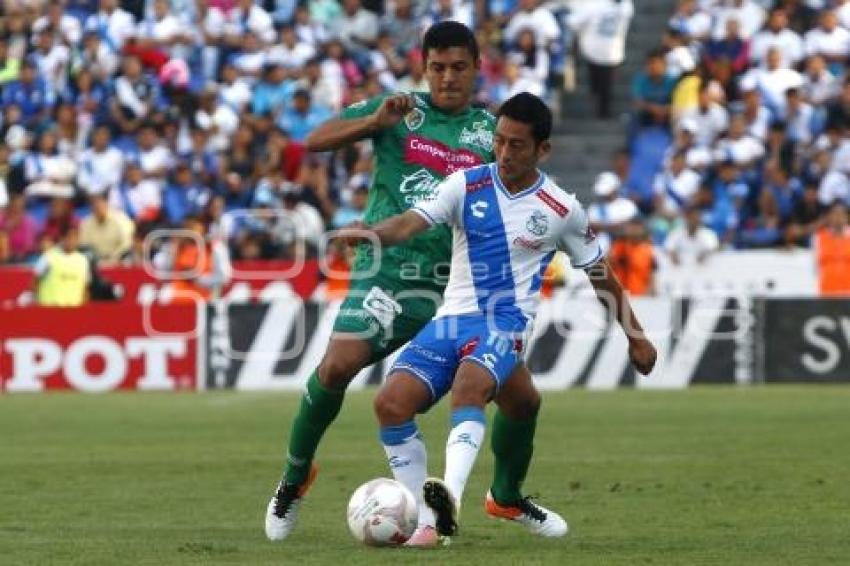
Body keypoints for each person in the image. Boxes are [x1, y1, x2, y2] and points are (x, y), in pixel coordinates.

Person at [264, 22, 548, 544]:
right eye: (437, 68)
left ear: (476, 68)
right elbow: (315, 140)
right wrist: (372, 121)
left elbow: (524, 195)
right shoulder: (399, 112)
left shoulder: (494, 133)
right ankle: (294, 474)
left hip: (461, 288)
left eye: (458, 67)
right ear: (424, 68)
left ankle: (505, 497)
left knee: (521, 400)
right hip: (390, 274)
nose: (447, 78)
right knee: (336, 365)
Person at [335, 92, 657, 545]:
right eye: (499, 142)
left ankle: (443, 511)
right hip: (453, 319)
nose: (504, 153)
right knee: (392, 404)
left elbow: (600, 274)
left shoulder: (560, 208)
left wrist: (635, 336)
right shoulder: (464, 183)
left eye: (517, 145)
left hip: (506, 322)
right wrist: (371, 232)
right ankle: (454, 508)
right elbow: (408, 222)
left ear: (542, 149)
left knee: (471, 386)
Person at [567, 0, 634, 119]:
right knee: (598, 84)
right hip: (595, 50)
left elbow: (574, 21)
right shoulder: (597, 5)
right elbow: (573, 21)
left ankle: (603, 112)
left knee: (605, 85)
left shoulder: (625, 5)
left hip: (610, 51)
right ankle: (599, 109)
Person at [33, 225, 91, 307]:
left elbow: (85, 288)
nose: (72, 241)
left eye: (75, 237)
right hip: (50, 309)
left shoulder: (83, 260)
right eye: (69, 237)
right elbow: (35, 281)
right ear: (62, 238)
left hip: (73, 311)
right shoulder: (48, 257)